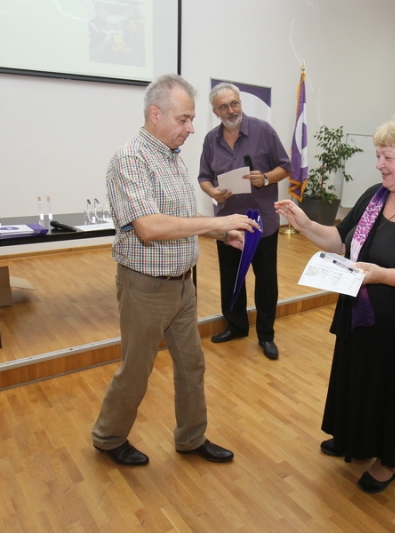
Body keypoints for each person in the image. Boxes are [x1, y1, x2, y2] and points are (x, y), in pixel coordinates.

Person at [274, 115, 395, 493]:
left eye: (388, 157)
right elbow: (342, 242)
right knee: (359, 380)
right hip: (362, 316)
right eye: (378, 156)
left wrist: (383, 275)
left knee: (389, 391)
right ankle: (355, 437)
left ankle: (389, 460)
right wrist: (306, 224)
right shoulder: (375, 196)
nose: (379, 164)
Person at [92, 74, 260, 467]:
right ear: (156, 114)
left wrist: (223, 234)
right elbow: (149, 227)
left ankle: (191, 437)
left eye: (191, 119)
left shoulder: (172, 157)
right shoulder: (131, 159)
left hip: (183, 285)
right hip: (145, 288)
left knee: (191, 365)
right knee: (136, 371)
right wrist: (218, 222)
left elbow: (182, 219)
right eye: (184, 119)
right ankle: (108, 437)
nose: (191, 127)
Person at [197, 82, 292, 360]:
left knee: (266, 282)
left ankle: (266, 335)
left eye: (234, 103)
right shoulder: (210, 140)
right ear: (215, 112)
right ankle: (236, 326)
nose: (231, 110)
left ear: (240, 103)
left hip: (262, 223)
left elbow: (285, 166)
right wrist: (212, 192)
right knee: (230, 279)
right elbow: (204, 177)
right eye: (224, 106)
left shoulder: (263, 130)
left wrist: (266, 178)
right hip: (228, 224)